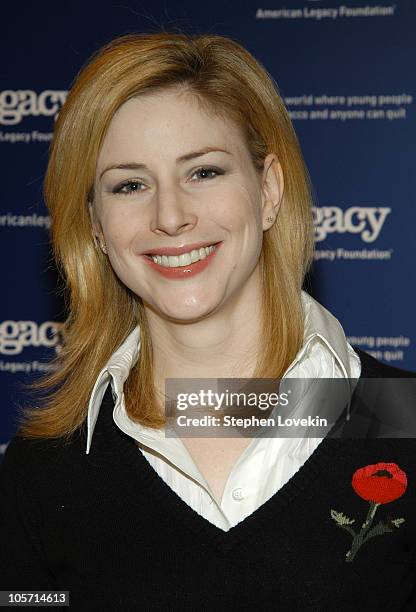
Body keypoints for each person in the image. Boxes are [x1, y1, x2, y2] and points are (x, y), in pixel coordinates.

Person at [1, 31, 415, 611]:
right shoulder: (41, 470)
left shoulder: (404, 421)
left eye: (203, 173)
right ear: (95, 226)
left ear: (268, 189)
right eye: (130, 185)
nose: (170, 216)